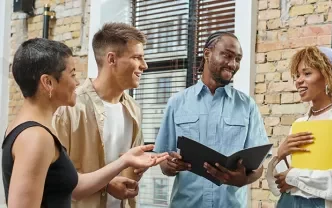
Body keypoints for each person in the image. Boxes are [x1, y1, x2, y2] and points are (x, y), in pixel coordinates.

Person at [2, 38, 168, 208]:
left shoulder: (31, 129)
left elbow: (76, 186)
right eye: (72, 74)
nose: (77, 82)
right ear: (48, 82)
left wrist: (124, 161)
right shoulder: (36, 137)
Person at [154, 31, 270, 207]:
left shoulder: (248, 106)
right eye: (227, 55)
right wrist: (169, 165)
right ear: (207, 53)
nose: (233, 64)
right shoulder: (176, 103)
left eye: (238, 59)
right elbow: (163, 160)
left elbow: (258, 167)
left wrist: (243, 180)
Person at [52, 23, 150, 208]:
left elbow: (128, 173)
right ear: (111, 59)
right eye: (137, 57)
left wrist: (138, 169)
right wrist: (106, 185)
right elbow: (56, 178)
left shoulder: (134, 110)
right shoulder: (68, 109)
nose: (144, 66)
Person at [266, 46, 332, 208]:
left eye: (307, 73)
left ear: (329, 76)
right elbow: (281, 185)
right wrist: (280, 155)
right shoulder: (300, 124)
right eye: (297, 75)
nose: (299, 80)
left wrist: (296, 177)